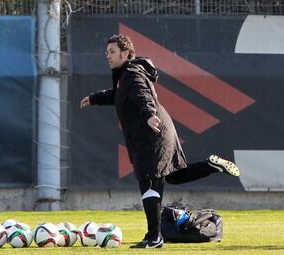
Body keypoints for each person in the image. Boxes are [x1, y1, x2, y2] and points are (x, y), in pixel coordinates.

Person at [79, 34, 240, 249]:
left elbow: (141, 94)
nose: (107, 56)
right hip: (157, 131)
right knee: (174, 176)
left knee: (149, 181)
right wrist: (95, 98)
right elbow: (119, 95)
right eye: (106, 52)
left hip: (152, 132)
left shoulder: (131, 73)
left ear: (125, 54)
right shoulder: (125, 75)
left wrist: (148, 114)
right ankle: (212, 165)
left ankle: (154, 237)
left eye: (112, 52)